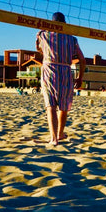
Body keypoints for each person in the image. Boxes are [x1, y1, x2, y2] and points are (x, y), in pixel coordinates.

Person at [36, 12, 86, 145]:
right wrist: (80, 77)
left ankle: (54, 138)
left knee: (50, 105)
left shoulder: (43, 34)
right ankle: (60, 133)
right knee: (63, 106)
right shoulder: (72, 39)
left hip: (49, 69)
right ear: (65, 24)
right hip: (66, 70)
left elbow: (39, 49)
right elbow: (82, 59)